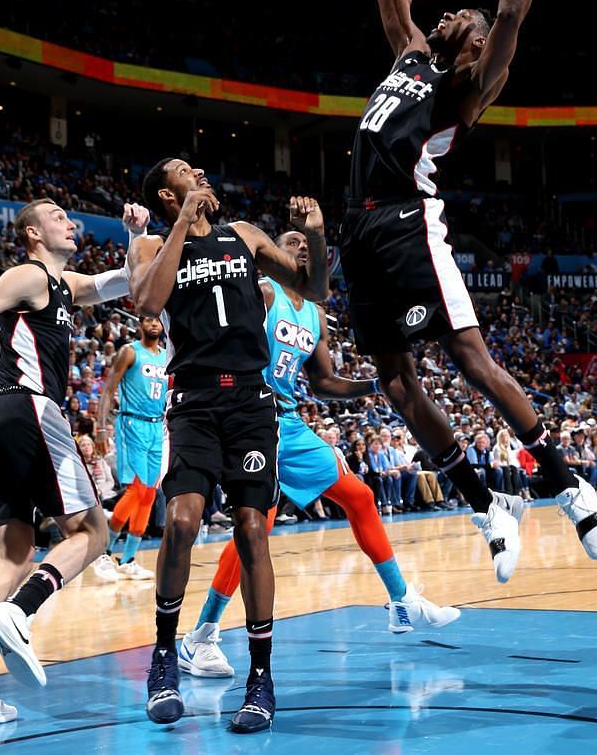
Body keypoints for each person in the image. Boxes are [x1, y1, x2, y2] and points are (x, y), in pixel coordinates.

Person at [339, 0, 597, 585]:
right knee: (396, 384)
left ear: (472, 41)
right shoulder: (408, 55)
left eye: (460, 15)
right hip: (357, 232)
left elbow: (514, 11)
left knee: (467, 357)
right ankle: (485, 501)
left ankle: (566, 483)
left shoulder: (467, 87)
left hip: (406, 221)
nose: (447, 11)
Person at [179, 230, 457, 680]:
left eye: (308, 245)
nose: (302, 248)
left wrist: (375, 387)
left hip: (289, 422)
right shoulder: (264, 293)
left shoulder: (317, 315)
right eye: (292, 242)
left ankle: (401, 602)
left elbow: (324, 382)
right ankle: (200, 636)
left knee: (360, 496)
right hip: (252, 415)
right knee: (257, 530)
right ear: (272, 254)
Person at [130, 158, 329, 733]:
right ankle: (165, 655)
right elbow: (147, 302)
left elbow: (311, 288)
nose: (202, 174)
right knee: (183, 520)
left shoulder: (243, 235)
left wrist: (314, 232)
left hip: (249, 400)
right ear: (168, 193)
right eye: (187, 172)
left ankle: (260, 678)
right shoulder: (151, 247)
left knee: (250, 528)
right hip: (192, 399)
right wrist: (182, 221)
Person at [0, 198, 148, 725]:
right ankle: (20, 611)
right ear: (31, 233)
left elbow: (128, 283)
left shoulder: (64, 285)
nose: (68, 221)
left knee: (14, 552)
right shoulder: (29, 274)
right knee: (94, 533)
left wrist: (133, 234)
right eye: (55, 216)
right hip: (28, 404)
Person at [94, 315, 169, 582]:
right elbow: (108, 389)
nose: (153, 324)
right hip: (131, 423)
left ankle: (127, 559)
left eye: (157, 321)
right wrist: (100, 426)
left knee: (148, 495)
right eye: (148, 320)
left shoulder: (166, 357)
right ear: (140, 325)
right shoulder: (129, 352)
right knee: (135, 490)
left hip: (156, 427)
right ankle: (102, 553)